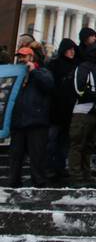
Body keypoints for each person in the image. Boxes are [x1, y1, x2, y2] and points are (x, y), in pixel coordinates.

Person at [7, 44, 54, 187]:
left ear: (31, 57)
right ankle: (13, 182)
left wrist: (34, 71)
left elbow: (49, 85)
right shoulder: (15, 75)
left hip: (36, 121)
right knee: (16, 156)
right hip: (18, 122)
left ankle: (39, 183)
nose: (21, 59)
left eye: (24, 56)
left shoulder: (42, 71)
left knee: (37, 156)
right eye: (19, 56)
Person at [68, 37, 96, 185]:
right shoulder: (84, 67)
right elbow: (79, 89)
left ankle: (86, 173)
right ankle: (76, 176)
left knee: (89, 145)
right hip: (83, 111)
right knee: (78, 144)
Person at [46, 37, 78, 180]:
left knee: (64, 143)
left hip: (69, 110)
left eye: (73, 50)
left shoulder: (76, 66)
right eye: (69, 50)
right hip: (55, 110)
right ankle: (49, 167)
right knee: (51, 141)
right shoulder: (54, 65)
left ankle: (60, 167)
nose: (72, 52)